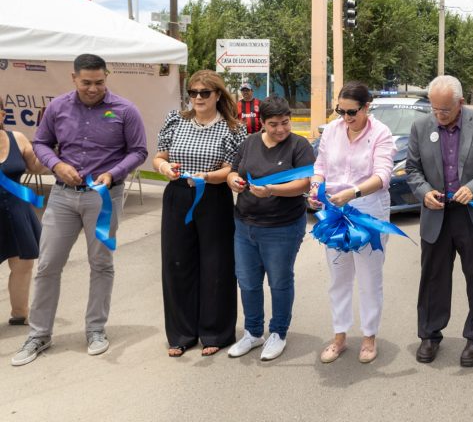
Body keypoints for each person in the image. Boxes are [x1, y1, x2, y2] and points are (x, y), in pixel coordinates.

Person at [11, 54, 147, 366]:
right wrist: (57, 164)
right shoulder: (58, 107)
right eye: (86, 82)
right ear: (74, 78)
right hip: (62, 196)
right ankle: (39, 334)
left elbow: (138, 150)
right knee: (47, 265)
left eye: (99, 82)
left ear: (106, 77)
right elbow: (41, 143)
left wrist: (113, 173)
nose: (92, 88)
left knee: (101, 263)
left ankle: (96, 329)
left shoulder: (126, 110)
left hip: (104, 198)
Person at [406, 75, 473, 367]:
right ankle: (430, 334)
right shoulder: (421, 126)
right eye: (434, 108)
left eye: (445, 109)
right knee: (433, 277)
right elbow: (412, 169)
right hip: (436, 213)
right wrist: (424, 193)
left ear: (460, 103)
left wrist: (472, 188)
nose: (438, 115)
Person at [153, 70, 246, 357]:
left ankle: (215, 332)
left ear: (218, 94)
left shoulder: (233, 127)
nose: (197, 98)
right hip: (178, 196)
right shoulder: (176, 120)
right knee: (177, 264)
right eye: (193, 92)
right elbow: (159, 156)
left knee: (216, 265)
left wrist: (206, 175)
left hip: (213, 197)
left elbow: (232, 169)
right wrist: (165, 169)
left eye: (204, 93)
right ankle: (181, 333)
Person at [308, 81, 394, 364]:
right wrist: (316, 187)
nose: (345, 118)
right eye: (340, 111)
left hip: (367, 212)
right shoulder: (332, 130)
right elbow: (320, 166)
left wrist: (353, 192)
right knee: (338, 278)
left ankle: (369, 336)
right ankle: (339, 336)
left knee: (370, 279)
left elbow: (382, 176)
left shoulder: (381, 134)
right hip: (334, 212)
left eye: (352, 112)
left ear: (367, 107)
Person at [226, 96, 315, 360]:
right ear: (262, 123)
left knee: (279, 280)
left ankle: (278, 332)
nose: (280, 130)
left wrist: (271, 190)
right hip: (244, 225)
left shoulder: (299, 146)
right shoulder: (249, 143)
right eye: (273, 124)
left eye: (285, 123)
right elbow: (233, 171)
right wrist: (233, 182)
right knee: (247, 282)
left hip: (282, 227)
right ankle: (253, 332)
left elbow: (304, 183)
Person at [0, 101, 46, 327]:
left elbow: (37, 167)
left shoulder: (16, 138)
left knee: (23, 264)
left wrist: (47, 144)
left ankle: (19, 313)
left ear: (1, 114)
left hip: (17, 210)